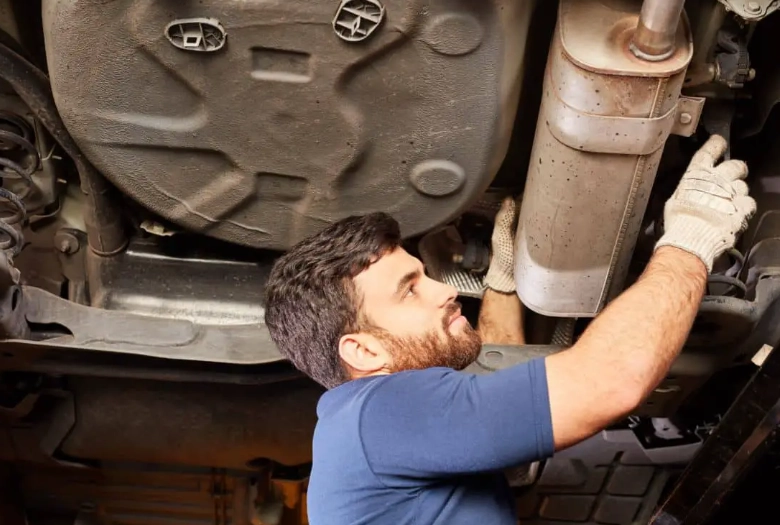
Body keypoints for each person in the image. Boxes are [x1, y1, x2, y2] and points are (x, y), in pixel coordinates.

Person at [263, 135, 756, 525]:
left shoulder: (364, 432)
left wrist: (502, 283)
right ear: (364, 351)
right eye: (409, 290)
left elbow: (494, 390)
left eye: (425, 275)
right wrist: (691, 236)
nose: (444, 289)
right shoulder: (379, 415)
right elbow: (609, 381)